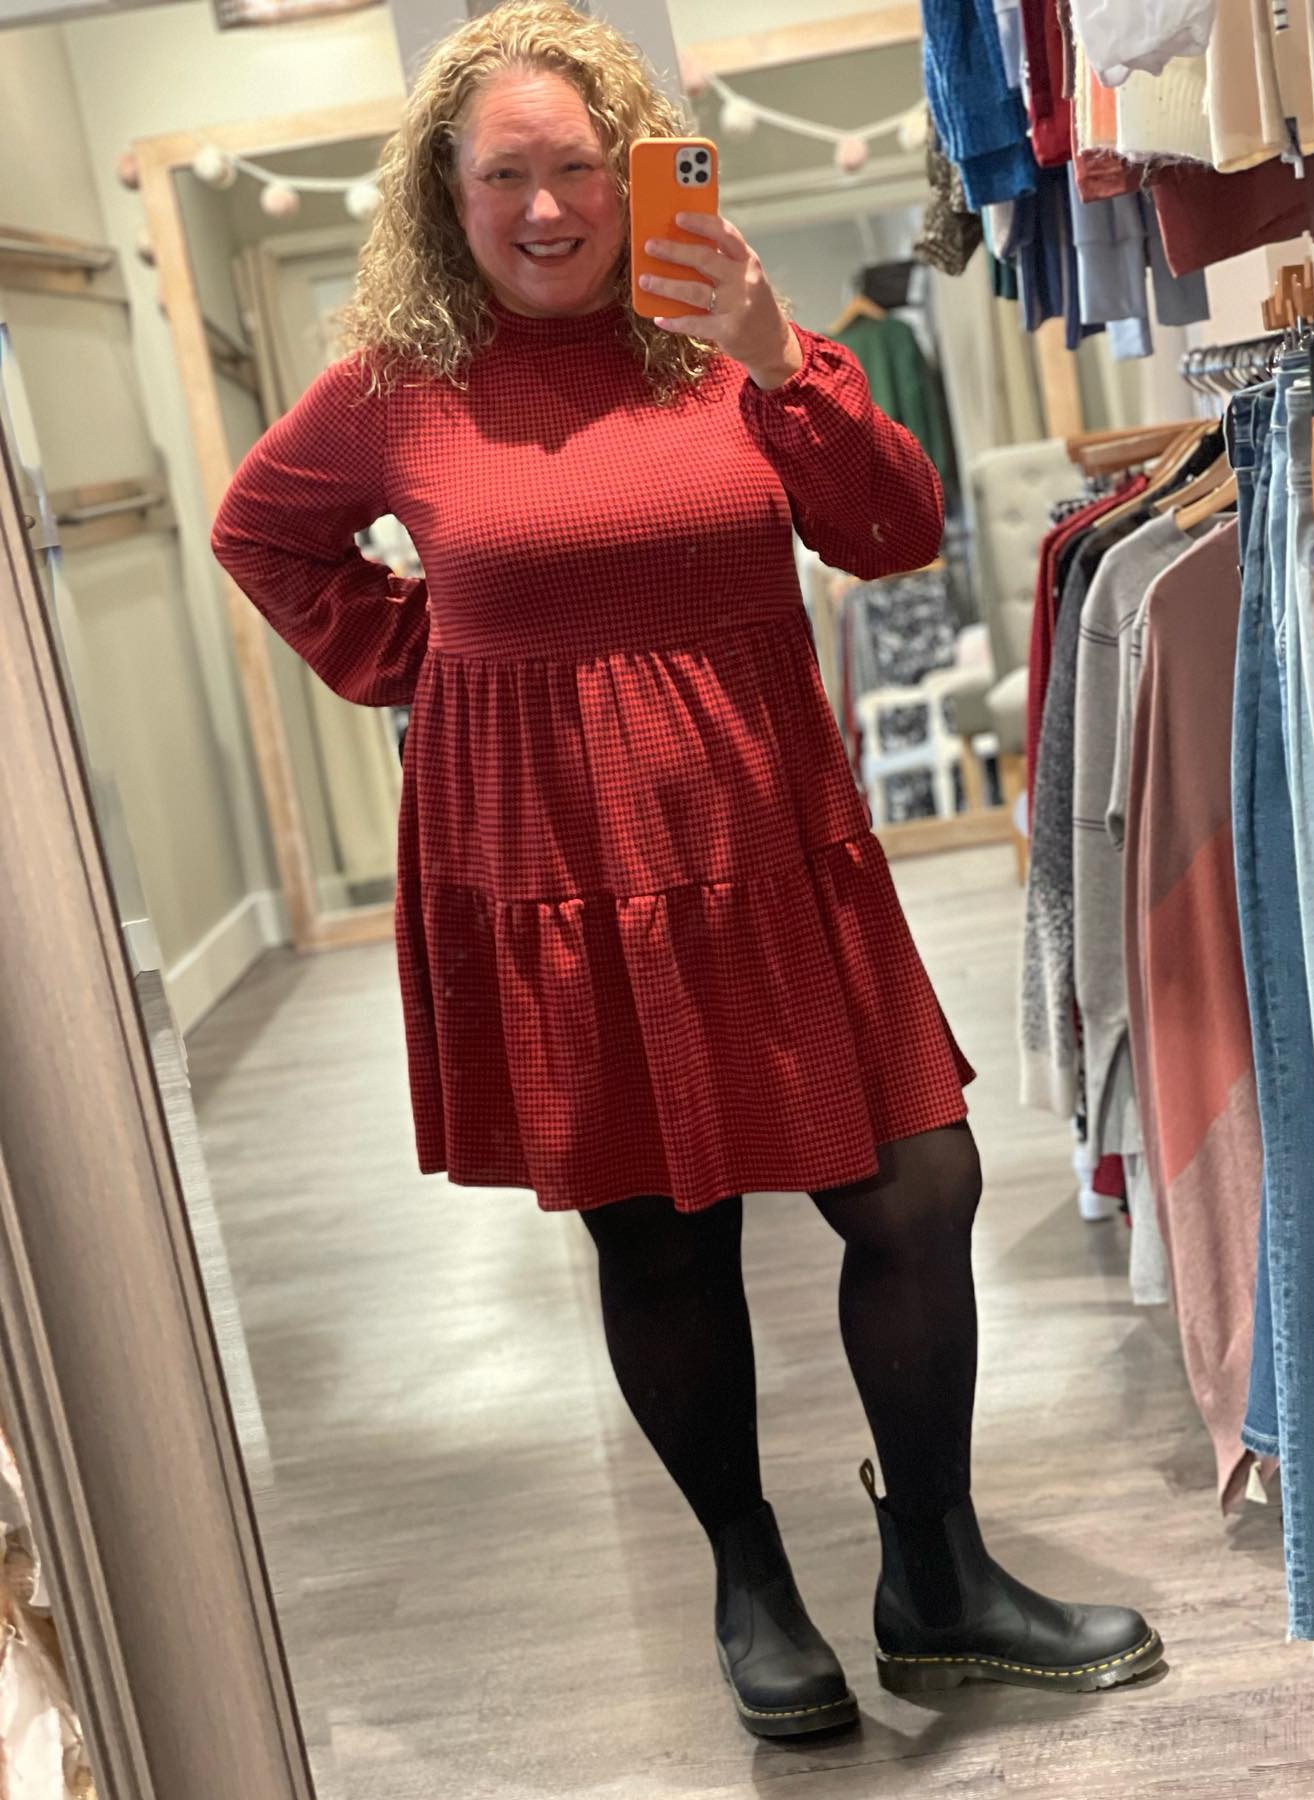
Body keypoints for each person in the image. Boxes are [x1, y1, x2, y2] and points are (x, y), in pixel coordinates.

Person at [211, 0, 1161, 1740]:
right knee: (659, 1237)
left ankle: (939, 1576)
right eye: (505, 176)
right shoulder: (396, 388)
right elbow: (261, 531)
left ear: (641, 170)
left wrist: (779, 349)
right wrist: (430, 657)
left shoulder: (721, 341)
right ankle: (751, 1581)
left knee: (917, 1189)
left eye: (581, 167)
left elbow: (892, 533)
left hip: (774, 845)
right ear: (445, 193)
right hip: (563, 873)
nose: (547, 209)